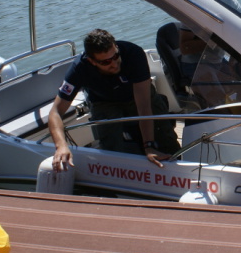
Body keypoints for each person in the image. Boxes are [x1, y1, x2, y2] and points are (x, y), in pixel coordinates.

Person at [48, 29, 170, 172]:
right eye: (106, 62)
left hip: (137, 95)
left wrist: (149, 146)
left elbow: (143, 105)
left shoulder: (133, 53)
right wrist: (61, 146)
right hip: (104, 102)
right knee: (112, 149)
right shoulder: (79, 69)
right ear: (91, 61)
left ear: (116, 47)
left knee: (166, 141)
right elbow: (55, 112)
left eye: (115, 56)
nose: (114, 64)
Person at [179, 0, 241, 80]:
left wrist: (232, 63)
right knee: (228, 89)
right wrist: (217, 41)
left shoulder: (233, 5)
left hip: (219, 60)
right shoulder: (194, 7)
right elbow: (185, 47)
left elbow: (238, 38)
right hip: (195, 64)